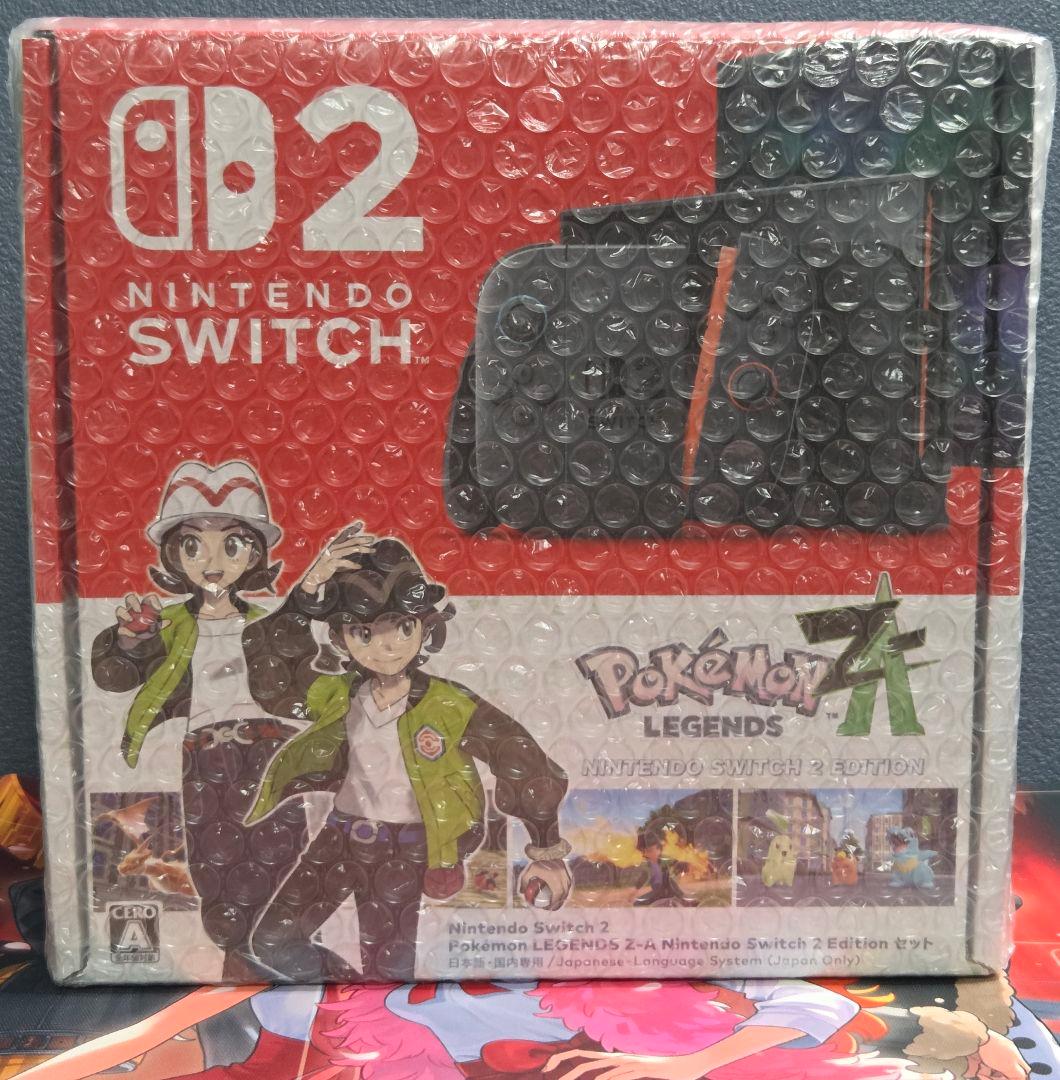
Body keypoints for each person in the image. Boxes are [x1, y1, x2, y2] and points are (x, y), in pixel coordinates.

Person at [241, 537, 573, 981]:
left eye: (401, 627)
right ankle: (347, 996)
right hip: (339, 838)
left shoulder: (450, 705)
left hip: (407, 847)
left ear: (424, 627)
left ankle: (375, 1008)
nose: (386, 647)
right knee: (273, 939)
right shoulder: (337, 694)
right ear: (340, 637)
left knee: (388, 968)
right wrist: (306, 594)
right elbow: (275, 679)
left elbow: (523, 760)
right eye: (363, 633)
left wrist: (546, 850)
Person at [90, 461, 374, 979]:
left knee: (277, 870)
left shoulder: (265, 624)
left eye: (233, 545)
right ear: (173, 556)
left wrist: (312, 582)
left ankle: (298, 970)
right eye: (193, 546)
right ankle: (245, 968)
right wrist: (130, 638)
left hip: (266, 757)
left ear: (255, 554)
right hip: (203, 761)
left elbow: (291, 635)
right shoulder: (168, 624)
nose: (213, 562)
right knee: (214, 880)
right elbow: (113, 676)